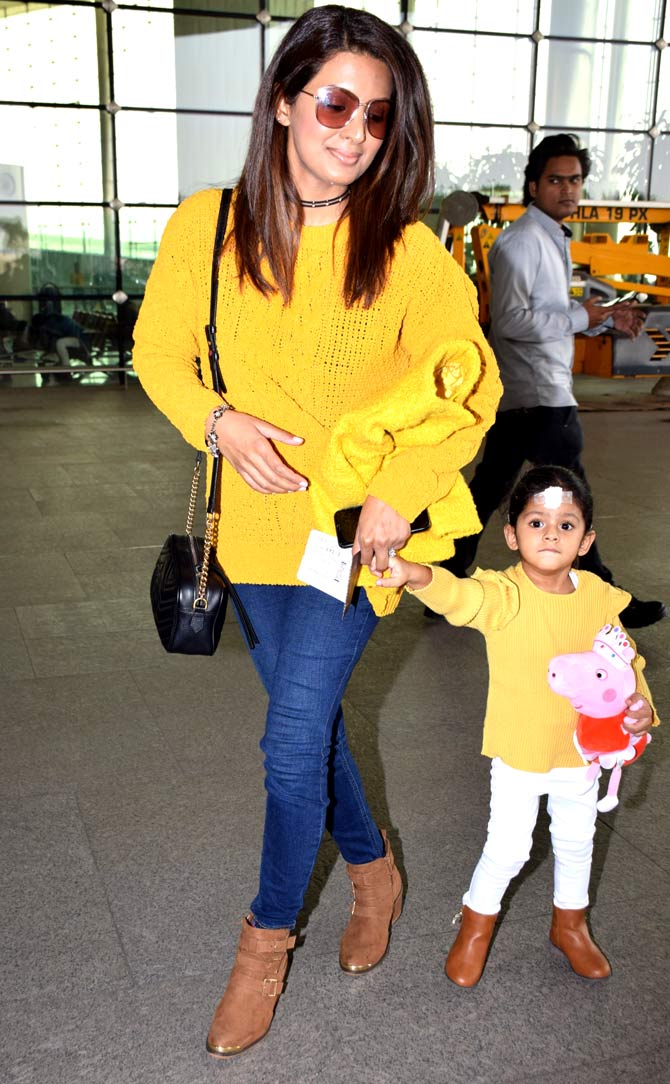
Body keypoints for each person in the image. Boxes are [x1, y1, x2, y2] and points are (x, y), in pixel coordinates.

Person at [132, 4, 501, 1058]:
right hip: (250, 535)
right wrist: (216, 419)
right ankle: (374, 868)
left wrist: (403, 488)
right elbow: (159, 353)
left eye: (380, 118)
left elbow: (469, 393)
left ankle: (262, 945)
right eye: (335, 102)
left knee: (289, 738)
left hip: (355, 538)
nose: (355, 132)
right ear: (287, 98)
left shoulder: (409, 255)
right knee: (317, 732)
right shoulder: (206, 223)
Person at [378, 464, 658, 986]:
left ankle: (569, 924)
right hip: (520, 751)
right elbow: (462, 598)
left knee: (578, 841)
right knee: (508, 847)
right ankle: (475, 928)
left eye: (567, 525)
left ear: (586, 540)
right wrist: (416, 575)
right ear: (511, 535)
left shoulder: (598, 596)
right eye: (536, 522)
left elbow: (625, 665)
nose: (551, 533)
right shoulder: (503, 594)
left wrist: (640, 705)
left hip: (582, 753)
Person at [429, 133, 665, 629]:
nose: (568, 189)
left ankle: (446, 580)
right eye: (556, 180)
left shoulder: (551, 237)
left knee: (488, 490)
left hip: (531, 395)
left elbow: (553, 313)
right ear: (533, 185)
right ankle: (608, 599)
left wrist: (601, 319)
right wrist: (583, 317)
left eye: (575, 180)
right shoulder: (521, 242)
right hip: (538, 394)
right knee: (572, 496)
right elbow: (512, 321)